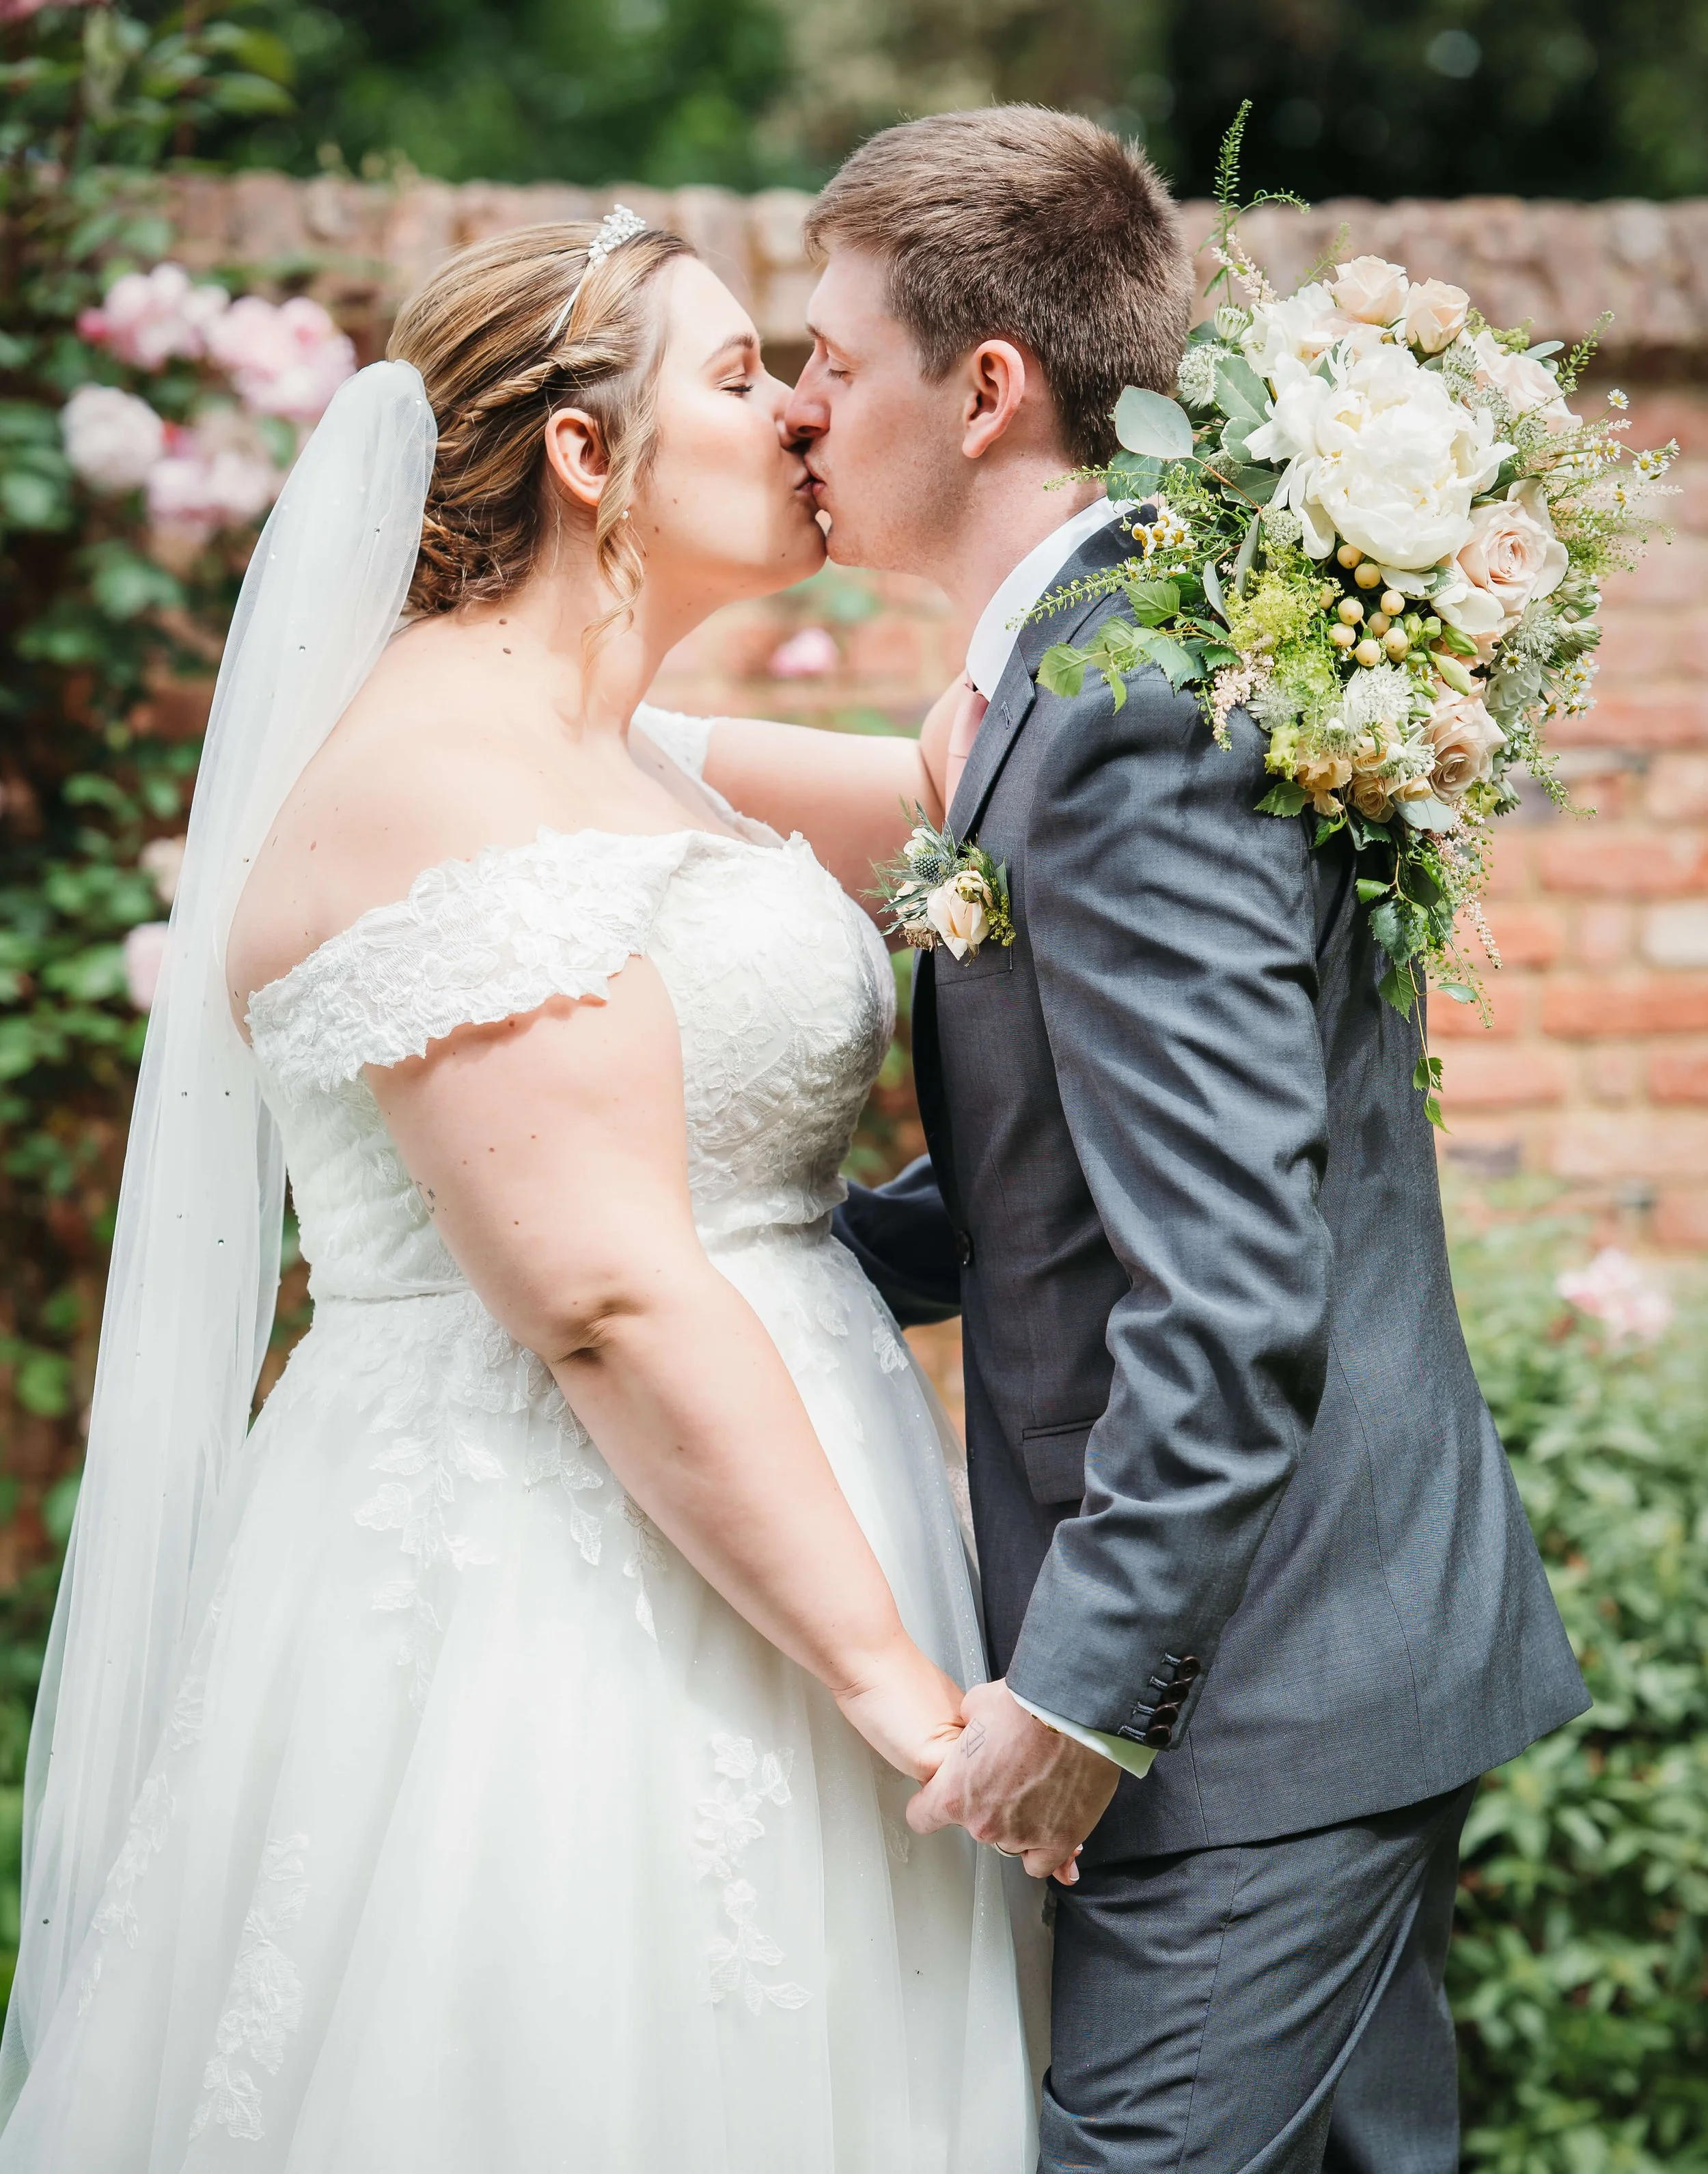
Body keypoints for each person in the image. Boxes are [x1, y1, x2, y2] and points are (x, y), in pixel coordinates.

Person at [0, 217, 1045, 2171]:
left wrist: (1280, 601)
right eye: (740, 377)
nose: (803, 409)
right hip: (554, 1595)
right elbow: (605, 1296)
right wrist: (904, 1695)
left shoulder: (620, 744)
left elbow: (983, 778)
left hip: (783, 1529)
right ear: (587, 456)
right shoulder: (437, 777)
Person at [683, 106, 1591, 2174]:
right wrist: (755, 1240)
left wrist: (1081, 1696)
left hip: (1257, 1695)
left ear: (982, 383)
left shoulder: (1122, 709)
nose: (803, 406)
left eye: (830, 357)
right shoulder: (1071, 678)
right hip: (1335, 1645)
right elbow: (1076, 1184)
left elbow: (1230, 1277)